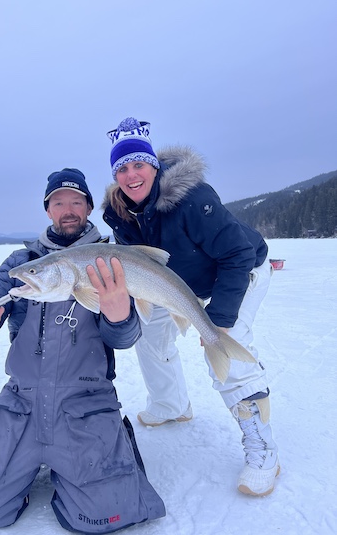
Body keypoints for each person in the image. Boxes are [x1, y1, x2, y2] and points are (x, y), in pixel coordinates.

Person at [0, 167, 165, 533]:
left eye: (76, 202)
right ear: (48, 209)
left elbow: (125, 338)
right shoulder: (22, 264)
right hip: (22, 402)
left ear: (89, 208)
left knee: (106, 515)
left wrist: (118, 316)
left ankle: (114, 441)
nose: (68, 209)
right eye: (59, 202)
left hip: (87, 403)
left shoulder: (111, 261)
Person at [101, 118, 280, 497]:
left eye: (138, 164)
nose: (131, 175)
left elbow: (238, 253)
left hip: (239, 271)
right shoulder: (120, 213)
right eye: (122, 168)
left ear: (154, 165)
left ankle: (263, 450)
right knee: (150, 337)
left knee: (223, 344)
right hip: (178, 284)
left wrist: (220, 318)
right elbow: (144, 263)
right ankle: (171, 405)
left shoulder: (192, 199)